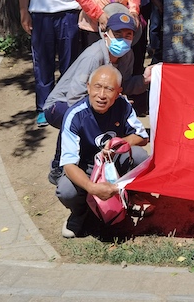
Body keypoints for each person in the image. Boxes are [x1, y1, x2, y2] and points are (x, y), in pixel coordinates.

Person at [44, 9, 150, 185]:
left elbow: (124, 85)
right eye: (117, 34)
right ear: (106, 34)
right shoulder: (94, 56)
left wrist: (144, 80)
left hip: (91, 101)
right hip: (60, 104)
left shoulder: (128, 55)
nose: (122, 39)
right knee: (73, 117)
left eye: (128, 35)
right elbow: (74, 96)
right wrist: (108, 102)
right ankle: (58, 166)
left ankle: (98, 160)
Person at [55, 66, 150, 238]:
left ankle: (130, 198)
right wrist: (92, 187)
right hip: (85, 166)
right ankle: (80, 212)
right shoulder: (74, 115)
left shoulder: (123, 106)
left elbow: (142, 137)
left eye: (109, 89)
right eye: (97, 87)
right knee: (66, 190)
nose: (101, 95)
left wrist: (118, 143)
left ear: (119, 92)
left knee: (140, 157)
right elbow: (69, 165)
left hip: (113, 161)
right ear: (88, 87)